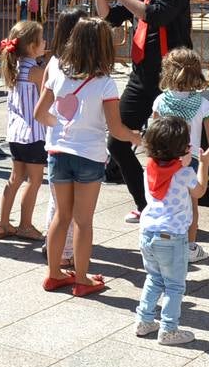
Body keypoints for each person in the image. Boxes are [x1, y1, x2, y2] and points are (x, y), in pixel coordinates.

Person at [82, 0, 193, 223]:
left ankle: (173, 210)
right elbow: (109, 18)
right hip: (142, 77)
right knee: (117, 142)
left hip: (171, 82)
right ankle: (145, 205)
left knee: (170, 148)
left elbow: (153, 15)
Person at [34, 17, 141, 297]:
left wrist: (60, 126)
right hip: (89, 156)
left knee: (61, 216)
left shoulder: (57, 72)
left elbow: (39, 114)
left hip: (58, 152)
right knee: (83, 220)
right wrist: (136, 137)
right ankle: (82, 279)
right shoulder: (106, 84)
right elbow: (116, 129)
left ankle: (53, 273)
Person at [133, 115, 209, 346]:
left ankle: (144, 320)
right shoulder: (184, 174)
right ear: (181, 149)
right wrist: (202, 163)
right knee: (174, 285)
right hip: (172, 237)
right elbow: (199, 192)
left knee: (154, 278)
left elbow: (167, 167)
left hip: (148, 232)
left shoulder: (149, 169)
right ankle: (169, 329)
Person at [150, 48, 209, 263]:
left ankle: (161, 242)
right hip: (192, 162)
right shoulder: (204, 104)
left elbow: (153, 131)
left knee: (163, 202)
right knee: (192, 206)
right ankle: (189, 247)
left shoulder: (160, 101)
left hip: (163, 160)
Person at [37, 6, 90, 268]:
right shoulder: (65, 65)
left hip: (55, 140)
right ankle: (65, 251)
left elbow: (43, 101)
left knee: (56, 202)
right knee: (66, 207)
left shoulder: (54, 62)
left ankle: (53, 245)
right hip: (68, 142)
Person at [0, 20, 46, 240]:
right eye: (42, 39)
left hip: (16, 133)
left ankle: (3, 223)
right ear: (33, 46)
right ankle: (25, 224)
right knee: (34, 181)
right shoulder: (36, 71)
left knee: (15, 178)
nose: (45, 42)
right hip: (34, 133)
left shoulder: (13, 67)